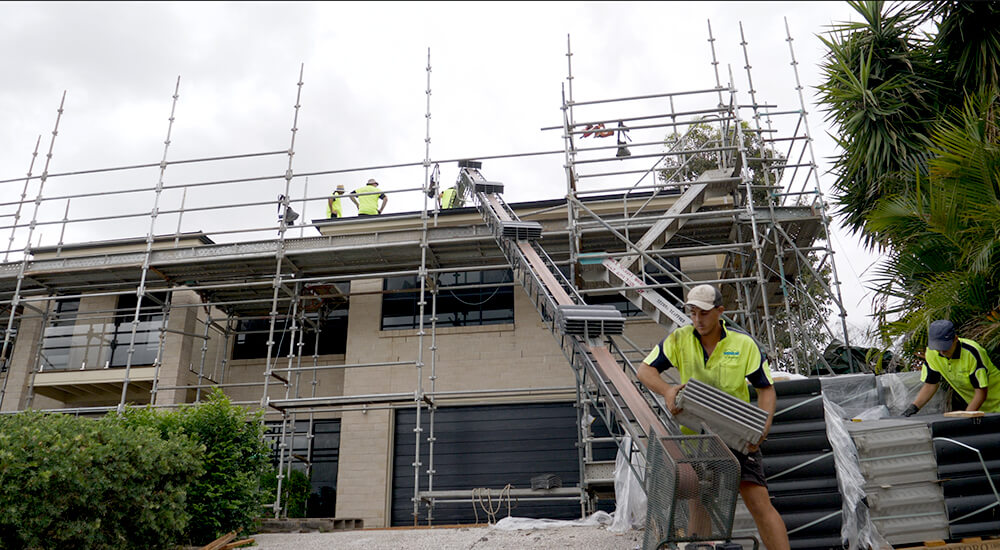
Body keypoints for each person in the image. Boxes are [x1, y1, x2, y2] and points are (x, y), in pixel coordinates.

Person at [636, 284, 790, 550]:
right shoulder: (679, 339)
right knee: (700, 502)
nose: (697, 319)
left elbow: (766, 389)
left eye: (704, 313)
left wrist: (761, 429)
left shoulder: (743, 344)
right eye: (693, 313)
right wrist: (667, 390)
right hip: (696, 439)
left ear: (720, 311)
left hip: (737, 438)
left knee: (759, 503)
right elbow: (645, 371)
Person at [903, 319, 1000, 416]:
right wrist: (914, 408)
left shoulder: (972, 352)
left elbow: (981, 393)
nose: (942, 352)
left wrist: (965, 417)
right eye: (938, 347)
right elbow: (931, 384)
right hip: (982, 410)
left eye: (945, 347)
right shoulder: (932, 353)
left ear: (955, 339)